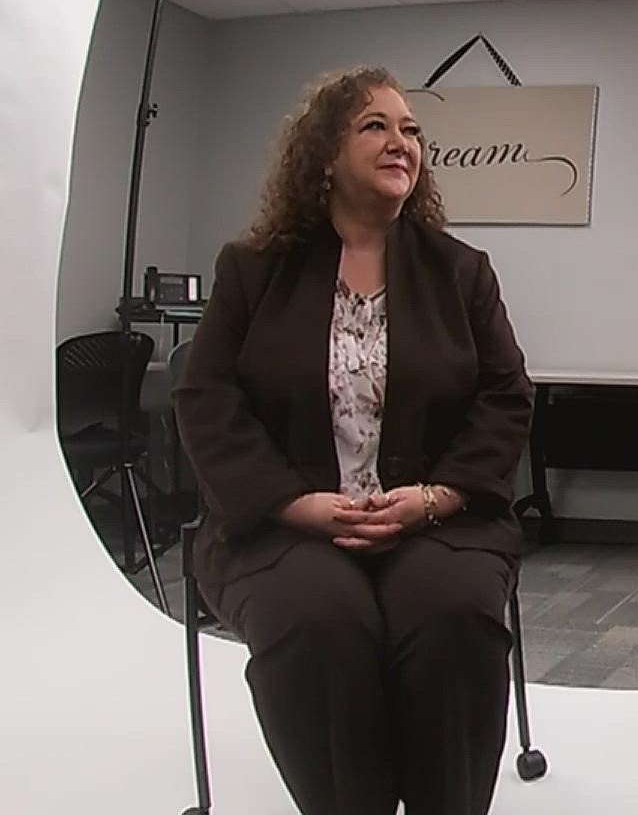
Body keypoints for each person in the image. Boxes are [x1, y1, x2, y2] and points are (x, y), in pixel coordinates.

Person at [174, 66, 533, 815]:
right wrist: (292, 504)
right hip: (284, 525)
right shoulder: (253, 270)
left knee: (452, 618)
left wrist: (434, 499)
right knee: (318, 622)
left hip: (437, 519)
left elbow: (507, 396)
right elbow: (205, 398)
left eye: (411, 130)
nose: (400, 141)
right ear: (325, 156)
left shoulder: (462, 273)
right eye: (376, 125)